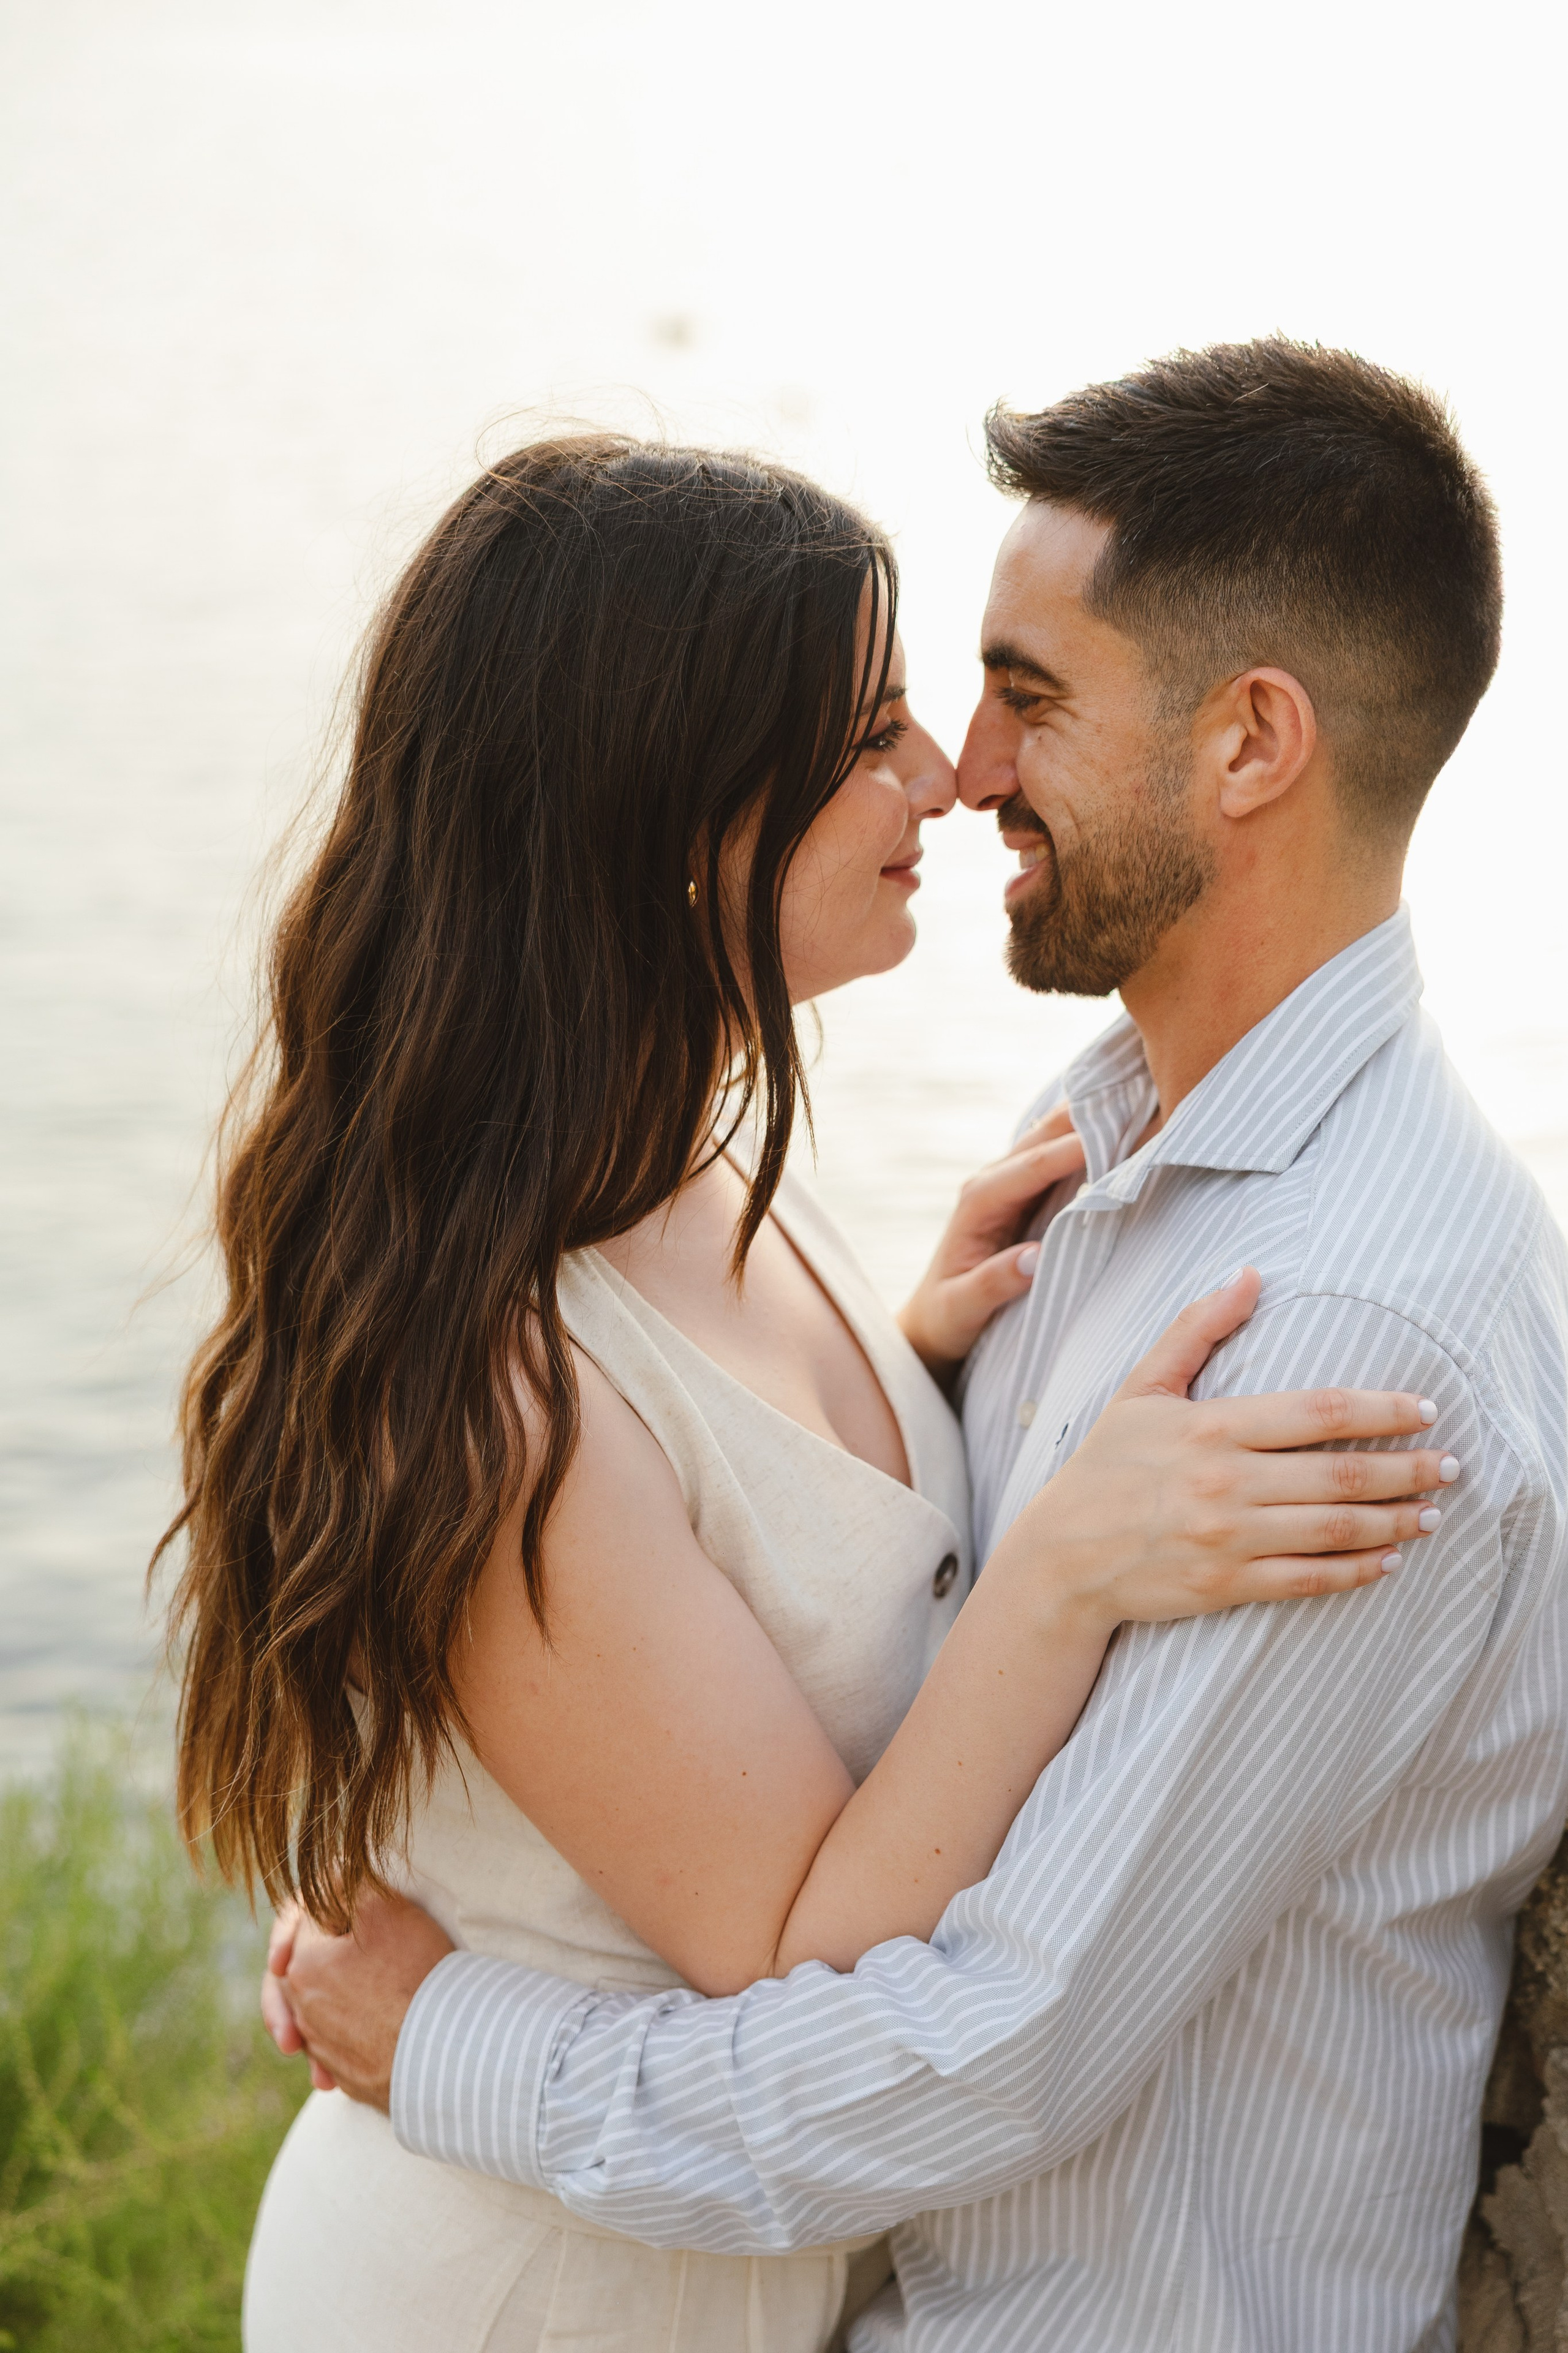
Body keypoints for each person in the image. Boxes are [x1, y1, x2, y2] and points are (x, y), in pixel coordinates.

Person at [271, 342, 1568, 2353]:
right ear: (667, 809)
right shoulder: (1111, 1163)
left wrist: (443, 2032)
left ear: (1250, 746)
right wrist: (968, 1437)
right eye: (895, 719)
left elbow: (981, 2049)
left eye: (1017, 697)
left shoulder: (1334, 1338)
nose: (959, 770)